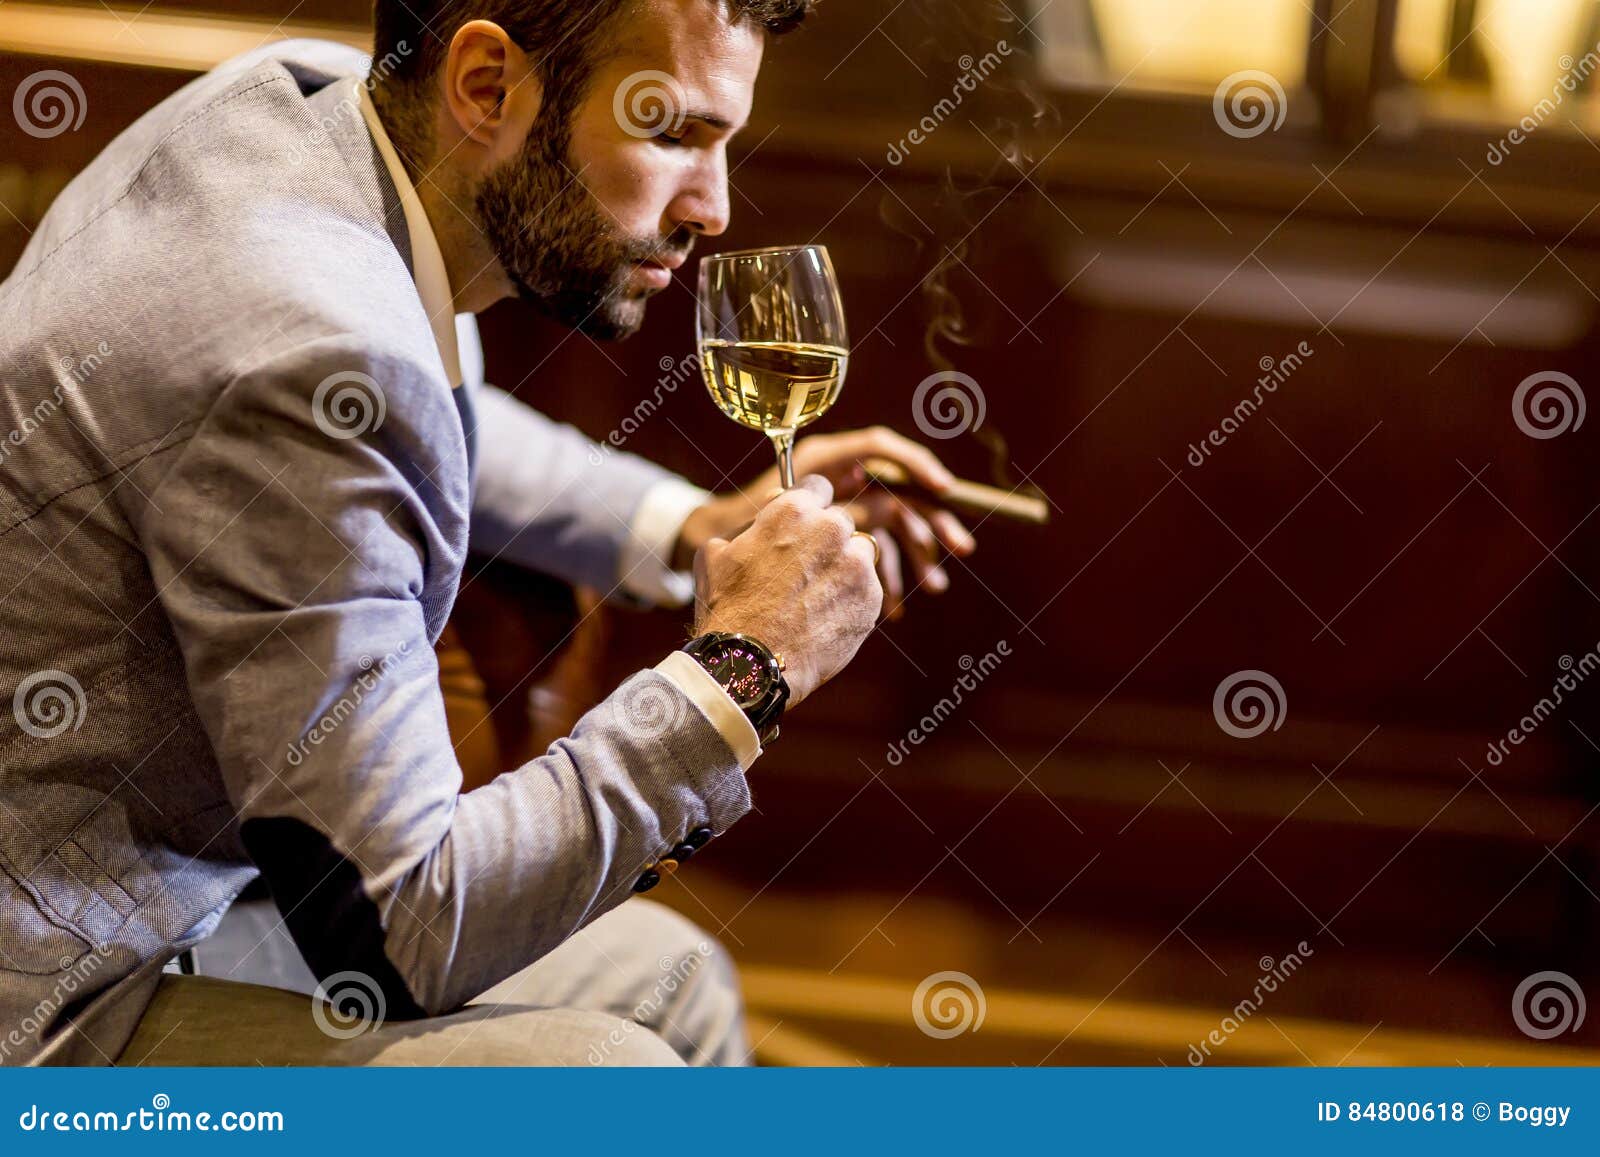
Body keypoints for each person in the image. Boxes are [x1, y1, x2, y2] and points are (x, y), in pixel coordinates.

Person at [0, 0, 977, 1066]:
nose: (714, 206)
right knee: (615, 1070)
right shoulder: (314, 352)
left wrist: (686, 522)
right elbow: (404, 932)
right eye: (673, 133)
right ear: (485, 85)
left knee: (675, 977)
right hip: (54, 994)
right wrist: (742, 669)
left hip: (176, 893)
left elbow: (410, 407)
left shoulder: (302, 103)